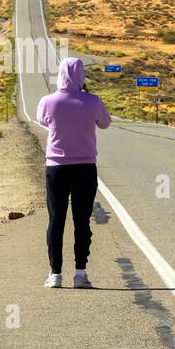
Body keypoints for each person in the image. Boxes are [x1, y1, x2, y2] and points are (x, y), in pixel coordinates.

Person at [36, 57, 111, 288]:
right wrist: (85, 96)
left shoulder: (48, 101)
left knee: (56, 220)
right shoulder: (93, 101)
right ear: (81, 76)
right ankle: (80, 273)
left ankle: (55, 274)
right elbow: (105, 123)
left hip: (57, 168)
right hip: (85, 168)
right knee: (82, 221)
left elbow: (43, 121)